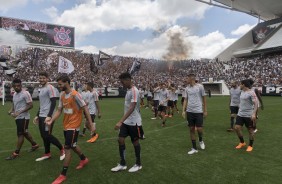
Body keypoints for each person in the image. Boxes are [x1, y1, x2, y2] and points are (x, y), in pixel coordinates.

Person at [45, 75, 95, 184]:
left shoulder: (75, 95)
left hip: (74, 126)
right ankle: (83, 159)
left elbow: (85, 108)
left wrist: (91, 124)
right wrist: (51, 120)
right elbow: (59, 110)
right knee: (73, 145)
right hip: (66, 125)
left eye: (60, 84)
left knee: (67, 148)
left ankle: (63, 175)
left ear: (67, 82)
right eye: (58, 84)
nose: (59, 86)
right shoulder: (62, 95)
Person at [111, 72, 142, 173]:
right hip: (126, 122)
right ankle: (123, 163)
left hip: (134, 122)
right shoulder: (129, 90)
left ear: (128, 80)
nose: (121, 84)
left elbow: (132, 107)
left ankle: (138, 164)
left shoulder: (134, 90)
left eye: (122, 82)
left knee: (135, 142)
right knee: (120, 140)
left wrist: (120, 121)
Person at [33, 72, 65, 162]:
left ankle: (62, 149)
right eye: (40, 78)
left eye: (43, 78)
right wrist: (37, 115)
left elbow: (53, 102)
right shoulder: (41, 88)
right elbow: (42, 104)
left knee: (47, 135)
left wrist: (49, 116)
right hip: (42, 115)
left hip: (48, 116)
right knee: (43, 136)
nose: (41, 79)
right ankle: (47, 153)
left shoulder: (50, 88)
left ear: (47, 78)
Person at [6, 79, 39, 160]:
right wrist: (11, 110)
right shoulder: (14, 94)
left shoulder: (25, 93)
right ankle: (34, 145)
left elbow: (30, 105)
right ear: (13, 86)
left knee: (20, 134)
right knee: (25, 132)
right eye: (15, 86)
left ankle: (16, 153)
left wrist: (19, 112)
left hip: (24, 117)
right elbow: (14, 104)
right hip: (18, 117)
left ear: (21, 85)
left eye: (18, 86)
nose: (17, 87)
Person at [182, 74, 207, 155]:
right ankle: (194, 148)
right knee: (191, 129)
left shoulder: (200, 87)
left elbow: (204, 98)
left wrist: (205, 110)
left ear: (191, 79)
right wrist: (183, 110)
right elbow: (185, 99)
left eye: (187, 78)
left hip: (199, 111)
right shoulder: (186, 88)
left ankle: (200, 140)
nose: (186, 80)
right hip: (190, 111)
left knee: (199, 129)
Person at [234, 79, 258, 152]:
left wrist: (254, 113)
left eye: (240, 84)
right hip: (240, 114)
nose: (239, 86)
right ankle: (242, 142)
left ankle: (250, 145)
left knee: (250, 131)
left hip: (248, 115)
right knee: (237, 127)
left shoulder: (251, 93)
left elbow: (256, 103)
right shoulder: (242, 92)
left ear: (243, 85)